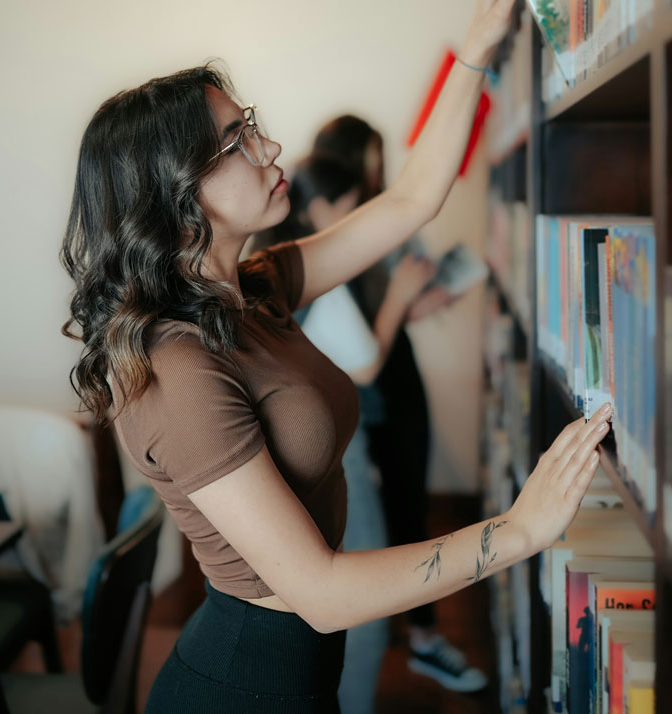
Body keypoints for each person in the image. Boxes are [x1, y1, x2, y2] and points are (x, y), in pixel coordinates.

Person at [60, 2, 611, 711]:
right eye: (238, 142)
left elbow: (411, 200)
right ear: (176, 196)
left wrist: (475, 48)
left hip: (302, 670)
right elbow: (318, 593)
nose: (271, 147)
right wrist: (520, 531)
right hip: (244, 684)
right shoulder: (178, 373)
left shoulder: (252, 291)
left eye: (251, 124)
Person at [255, 154, 444, 714]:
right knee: (365, 609)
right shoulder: (302, 278)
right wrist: (400, 295)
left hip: (307, 453)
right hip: (339, 453)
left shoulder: (267, 270)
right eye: (347, 205)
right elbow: (364, 363)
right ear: (319, 207)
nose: (354, 216)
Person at [311, 115, 488, 690]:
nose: (377, 172)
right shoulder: (326, 226)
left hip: (392, 374)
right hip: (363, 377)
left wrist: (427, 293)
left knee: (407, 498)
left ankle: (419, 633)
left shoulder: (379, 211)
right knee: (369, 513)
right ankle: (400, 631)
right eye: (369, 161)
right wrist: (406, 297)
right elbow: (361, 343)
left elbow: (400, 300)